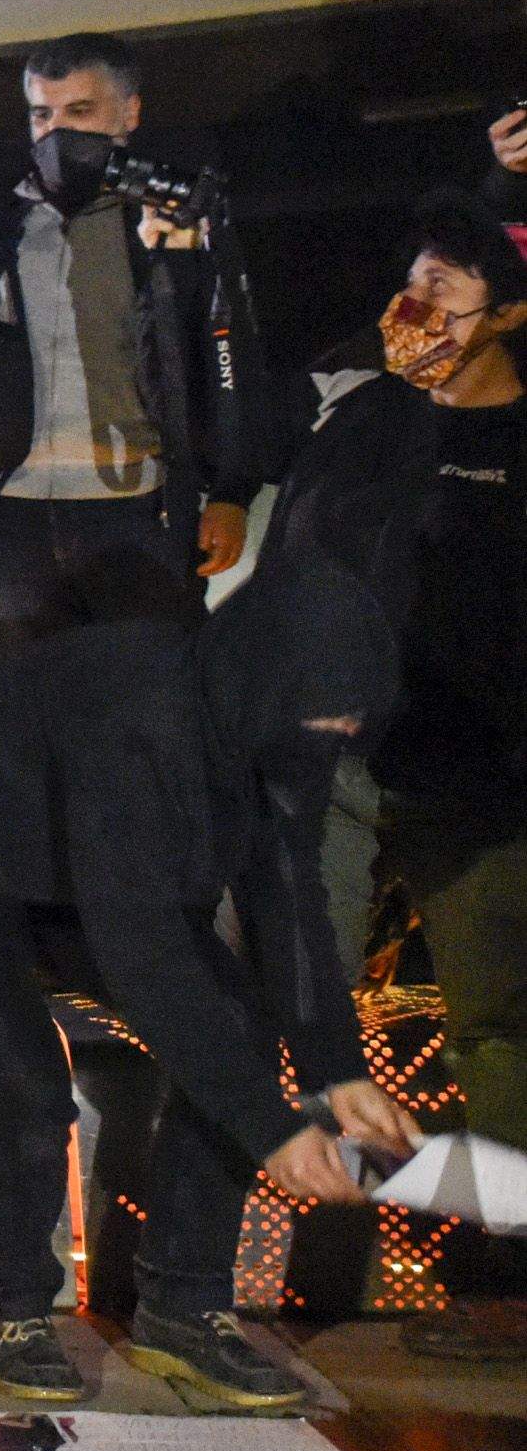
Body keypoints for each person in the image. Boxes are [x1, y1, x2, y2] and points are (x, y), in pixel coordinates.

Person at [0, 559, 422, 1409]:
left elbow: (287, 903)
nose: (335, 732)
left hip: (71, 871)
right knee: (21, 1077)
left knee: (239, 1023)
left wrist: (338, 1072)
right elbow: (143, 951)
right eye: (322, 711)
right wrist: (269, 1127)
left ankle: (182, 1308)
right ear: (267, 681)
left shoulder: (267, 729)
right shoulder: (134, 719)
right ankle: (15, 1307)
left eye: (350, 719)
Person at [266, 184, 527, 1361]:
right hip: (348, 755)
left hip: (481, 772)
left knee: (502, 1031)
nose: (417, 312)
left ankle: (500, 1279)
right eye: (410, 286)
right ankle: (253, 1259)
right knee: (290, 979)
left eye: (447, 294)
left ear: (507, 317)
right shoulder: (367, 423)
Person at [0, 33, 271, 673]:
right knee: (38, 726)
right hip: (5, 513)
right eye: (41, 114)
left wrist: (231, 491)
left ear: (129, 114)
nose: (57, 132)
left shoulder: (175, 216)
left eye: (78, 113)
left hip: (138, 507)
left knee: (155, 708)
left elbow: (229, 356)